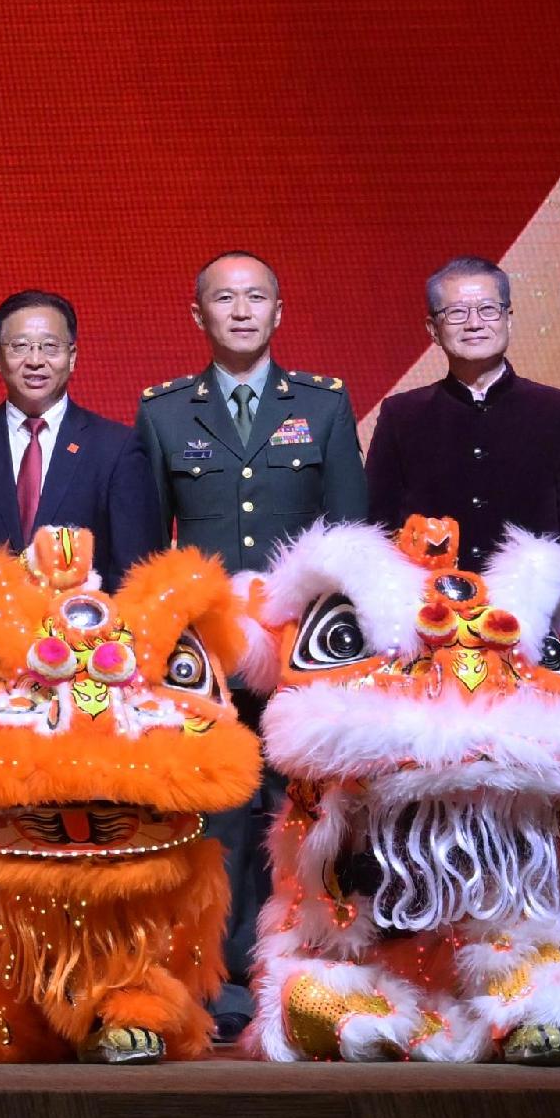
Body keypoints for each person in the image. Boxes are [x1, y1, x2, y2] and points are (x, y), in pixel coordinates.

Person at [134, 248, 363, 1034]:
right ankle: (225, 980)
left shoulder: (324, 405)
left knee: (307, 813)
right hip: (208, 659)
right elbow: (148, 552)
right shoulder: (165, 412)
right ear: (198, 314)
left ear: (278, 310)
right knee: (220, 819)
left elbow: (350, 541)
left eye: (255, 297)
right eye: (224, 298)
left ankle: (307, 970)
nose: (240, 310)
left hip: (304, 656)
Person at [363, 256, 560, 566]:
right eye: (456, 313)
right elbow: (377, 526)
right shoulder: (402, 415)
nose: (474, 324)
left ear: (508, 319)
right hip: (429, 593)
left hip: (534, 594)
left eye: (488, 310)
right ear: (433, 329)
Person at [0, 290, 162, 564]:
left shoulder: (116, 449)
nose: (35, 361)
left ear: (72, 356)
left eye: (50, 346)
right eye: (20, 346)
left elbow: (133, 569)